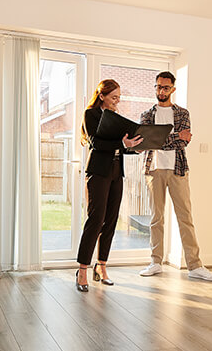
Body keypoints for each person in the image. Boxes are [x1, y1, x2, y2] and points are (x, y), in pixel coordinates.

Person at [137, 71, 212, 282]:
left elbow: (184, 142)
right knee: (156, 218)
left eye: (165, 87)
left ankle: (194, 265)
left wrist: (159, 138)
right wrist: (172, 137)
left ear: (173, 89)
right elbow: (148, 142)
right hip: (153, 170)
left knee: (185, 217)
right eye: (158, 86)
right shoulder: (147, 114)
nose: (161, 91)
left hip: (178, 169)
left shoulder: (182, 113)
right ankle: (156, 262)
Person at [75, 79, 143, 292]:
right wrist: (122, 144)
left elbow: (120, 146)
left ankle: (101, 267)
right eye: (114, 97)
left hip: (116, 173)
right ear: (102, 95)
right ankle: (83, 269)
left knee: (111, 221)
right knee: (96, 220)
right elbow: (96, 143)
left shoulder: (115, 119)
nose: (117, 101)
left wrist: (135, 147)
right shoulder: (91, 115)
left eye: (119, 98)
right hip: (98, 172)